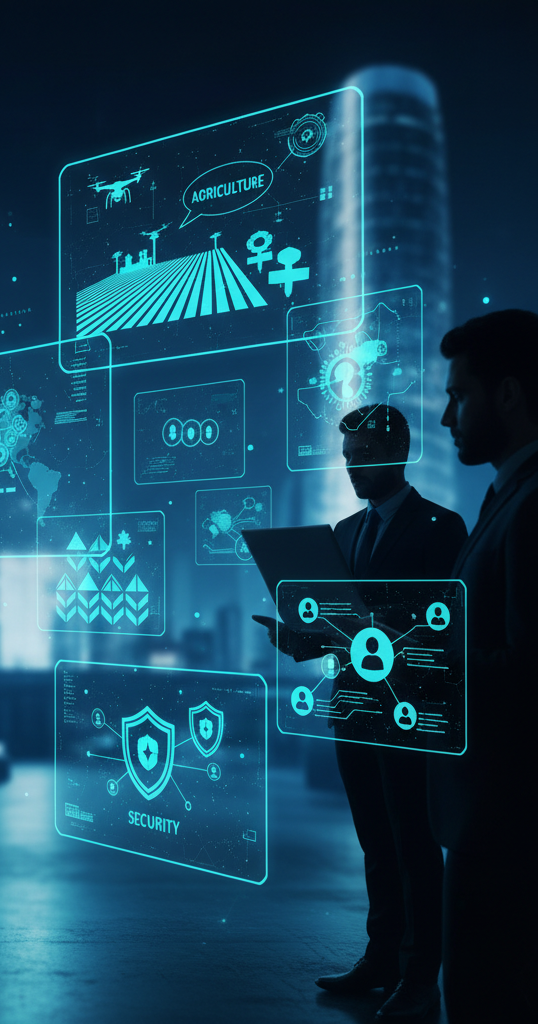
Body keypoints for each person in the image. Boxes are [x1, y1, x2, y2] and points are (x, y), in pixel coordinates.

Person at [253, 403, 466, 1020]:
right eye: (347, 460)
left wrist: (383, 631)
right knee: (376, 839)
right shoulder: (345, 533)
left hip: (410, 716)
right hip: (354, 710)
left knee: (414, 844)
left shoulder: (440, 528)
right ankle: (383, 959)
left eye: (364, 458)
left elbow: (446, 623)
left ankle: (420, 974)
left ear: (397, 451)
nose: (353, 470)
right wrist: (300, 639)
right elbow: (337, 629)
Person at [430, 309, 538, 1023]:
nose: (445, 418)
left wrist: (426, 663)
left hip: (507, 821)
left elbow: (529, 671)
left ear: (506, 395)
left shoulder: (531, 508)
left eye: (458, 395)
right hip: (485, 814)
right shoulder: (505, 497)